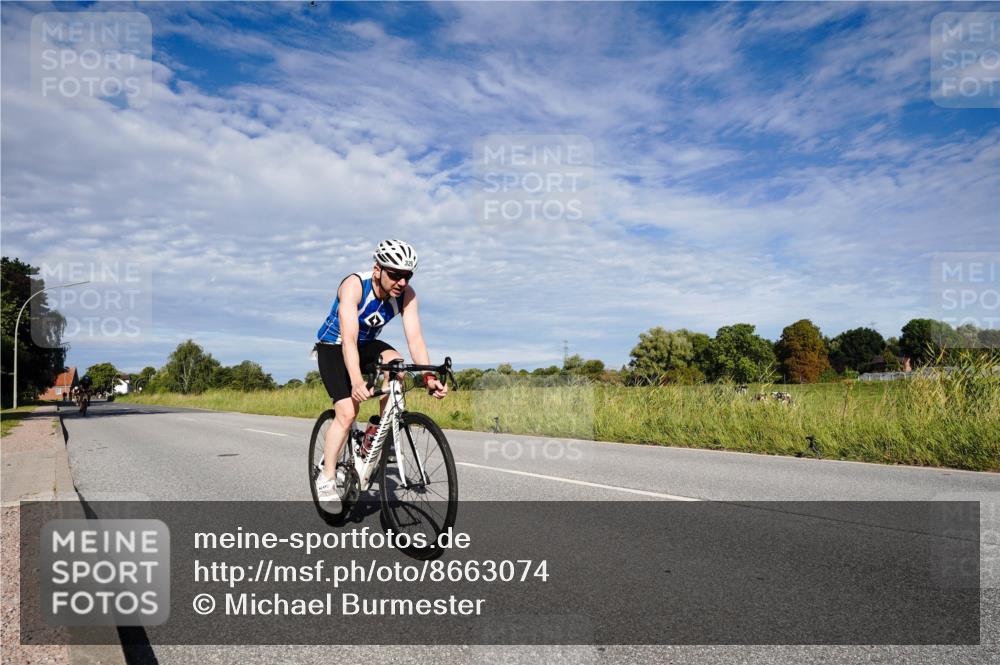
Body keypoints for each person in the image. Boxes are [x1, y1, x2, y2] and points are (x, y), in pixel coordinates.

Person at [313, 239, 448, 509]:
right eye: (395, 274)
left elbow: (416, 340)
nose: (401, 282)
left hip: (365, 345)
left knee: (397, 365)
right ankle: (326, 478)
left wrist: (429, 378)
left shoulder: (407, 295)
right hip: (334, 346)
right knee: (348, 412)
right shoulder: (354, 286)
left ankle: (376, 433)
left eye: (407, 276)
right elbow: (348, 340)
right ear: (378, 269)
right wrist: (356, 382)